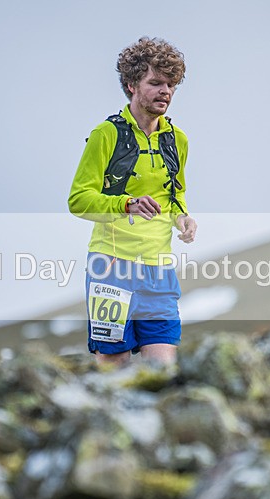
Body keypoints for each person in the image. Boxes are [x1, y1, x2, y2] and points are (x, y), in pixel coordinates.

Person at [68, 36, 197, 367]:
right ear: (131, 85)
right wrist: (126, 204)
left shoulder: (177, 140)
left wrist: (183, 218)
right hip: (111, 268)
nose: (165, 91)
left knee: (162, 372)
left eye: (171, 84)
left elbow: (175, 195)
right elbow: (79, 200)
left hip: (159, 272)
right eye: (155, 83)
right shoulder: (106, 134)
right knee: (115, 372)